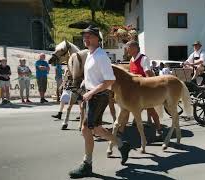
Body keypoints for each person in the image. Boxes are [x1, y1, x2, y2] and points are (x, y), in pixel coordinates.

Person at [68, 25, 130, 178]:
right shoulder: (91, 54)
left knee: (87, 129)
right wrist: (84, 84)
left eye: (89, 36)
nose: (85, 38)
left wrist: (91, 92)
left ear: (97, 38)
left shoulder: (101, 56)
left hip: (99, 96)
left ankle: (87, 164)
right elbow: (94, 76)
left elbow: (109, 80)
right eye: (84, 36)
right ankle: (122, 145)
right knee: (96, 129)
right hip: (92, 94)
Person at [126, 40, 163, 136]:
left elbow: (148, 75)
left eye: (128, 48)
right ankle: (135, 121)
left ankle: (159, 129)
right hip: (135, 90)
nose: (127, 50)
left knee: (151, 110)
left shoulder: (143, 59)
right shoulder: (131, 60)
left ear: (134, 48)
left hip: (144, 89)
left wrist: (149, 90)